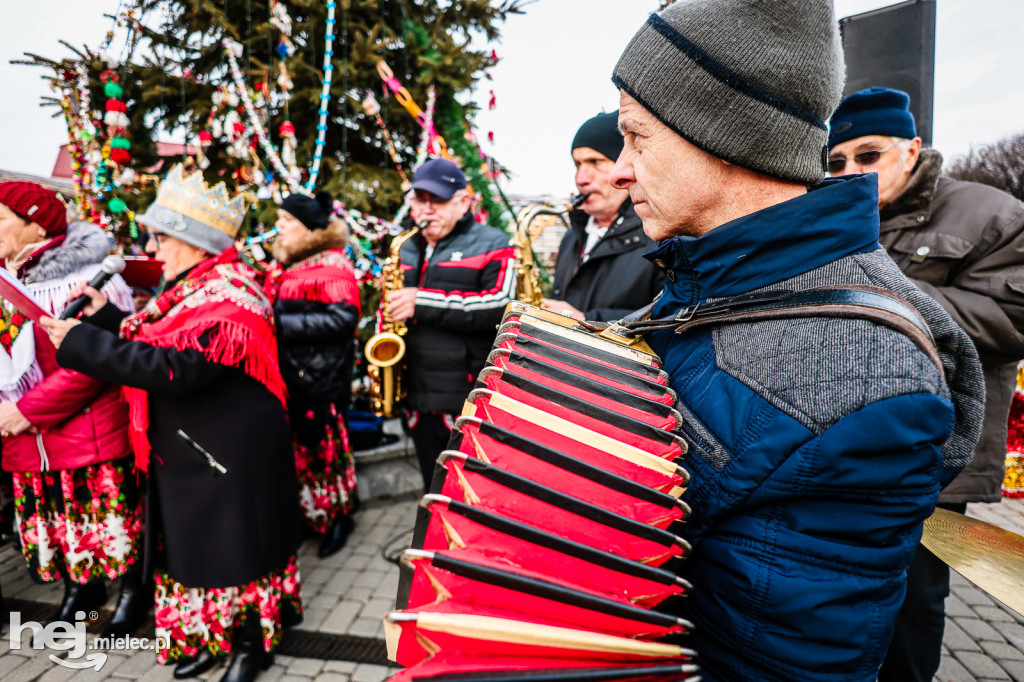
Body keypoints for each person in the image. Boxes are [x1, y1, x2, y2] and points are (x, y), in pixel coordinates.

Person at [607, 2, 984, 680]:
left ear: (723, 132)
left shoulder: (874, 387)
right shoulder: (713, 278)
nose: (619, 170)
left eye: (636, 136)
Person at [42, 165, 302, 682]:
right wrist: (105, 321)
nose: (151, 247)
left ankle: (251, 644)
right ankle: (209, 636)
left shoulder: (232, 295)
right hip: (193, 450)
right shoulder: (193, 285)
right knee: (196, 552)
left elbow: (177, 368)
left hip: (231, 455)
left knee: (241, 551)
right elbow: (157, 340)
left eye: (160, 237)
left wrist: (80, 344)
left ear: (193, 243)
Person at [827, 86, 1024, 682]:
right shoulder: (836, 216)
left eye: (869, 154)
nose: (852, 172)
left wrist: (878, 301)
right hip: (844, 439)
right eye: (837, 162)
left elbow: (1012, 317)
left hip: (936, 452)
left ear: (911, 149)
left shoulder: (992, 213)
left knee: (911, 602)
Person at [0, 181, 146, 633]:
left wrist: (28, 411)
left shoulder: (90, 278)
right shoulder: (8, 278)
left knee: (109, 521)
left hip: (85, 428)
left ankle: (133, 593)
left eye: (2, 218)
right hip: (26, 436)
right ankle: (81, 591)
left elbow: (98, 360)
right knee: (57, 522)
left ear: (36, 225)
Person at [388, 158, 515, 491]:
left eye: (438, 201)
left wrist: (422, 301)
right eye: (420, 199)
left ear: (463, 201)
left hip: (464, 396)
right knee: (432, 484)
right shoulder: (406, 247)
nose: (427, 210)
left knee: (468, 489)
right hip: (416, 395)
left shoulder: (494, 243)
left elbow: (500, 306)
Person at [266, 191, 361, 559]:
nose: (279, 226)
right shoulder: (290, 263)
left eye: (286, 220)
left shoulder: (333, 267)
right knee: (304, 453)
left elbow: (343, 319)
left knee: (326, 452)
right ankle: (314, 515)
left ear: (307, 227)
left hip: (321, 379)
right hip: (295, 375)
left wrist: (278, 323)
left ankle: (339, 516)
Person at [542, 111, 662, 322]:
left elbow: (665, 320)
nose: (580, 179)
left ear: (623, 166)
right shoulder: (571, 237)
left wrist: (585, 320)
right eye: (577, 164)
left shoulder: (659, 238)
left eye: (595, 162)